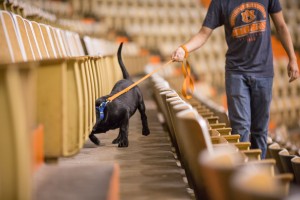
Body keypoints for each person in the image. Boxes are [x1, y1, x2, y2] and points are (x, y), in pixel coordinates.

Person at [171, 0, 299, 159]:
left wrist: (292, 58)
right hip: (236, 73)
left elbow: (281, 26)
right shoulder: (220, 3)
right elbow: (204, 33)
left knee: (260, 130)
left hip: (264, 72)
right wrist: (184, 49)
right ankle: (242, 171)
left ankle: (258, 170)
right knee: (241, 128)